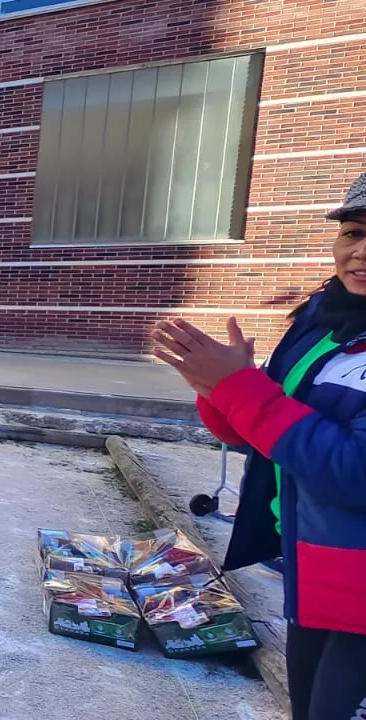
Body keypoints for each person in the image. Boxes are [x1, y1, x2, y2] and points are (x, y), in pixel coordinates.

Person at [154, 173, 366, 720]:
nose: (360, 252)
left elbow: (354, 470)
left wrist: (240, 389)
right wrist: (219, 391)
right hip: (315, 565)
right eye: (353, 232)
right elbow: (268, 436)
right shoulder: (325, 320)